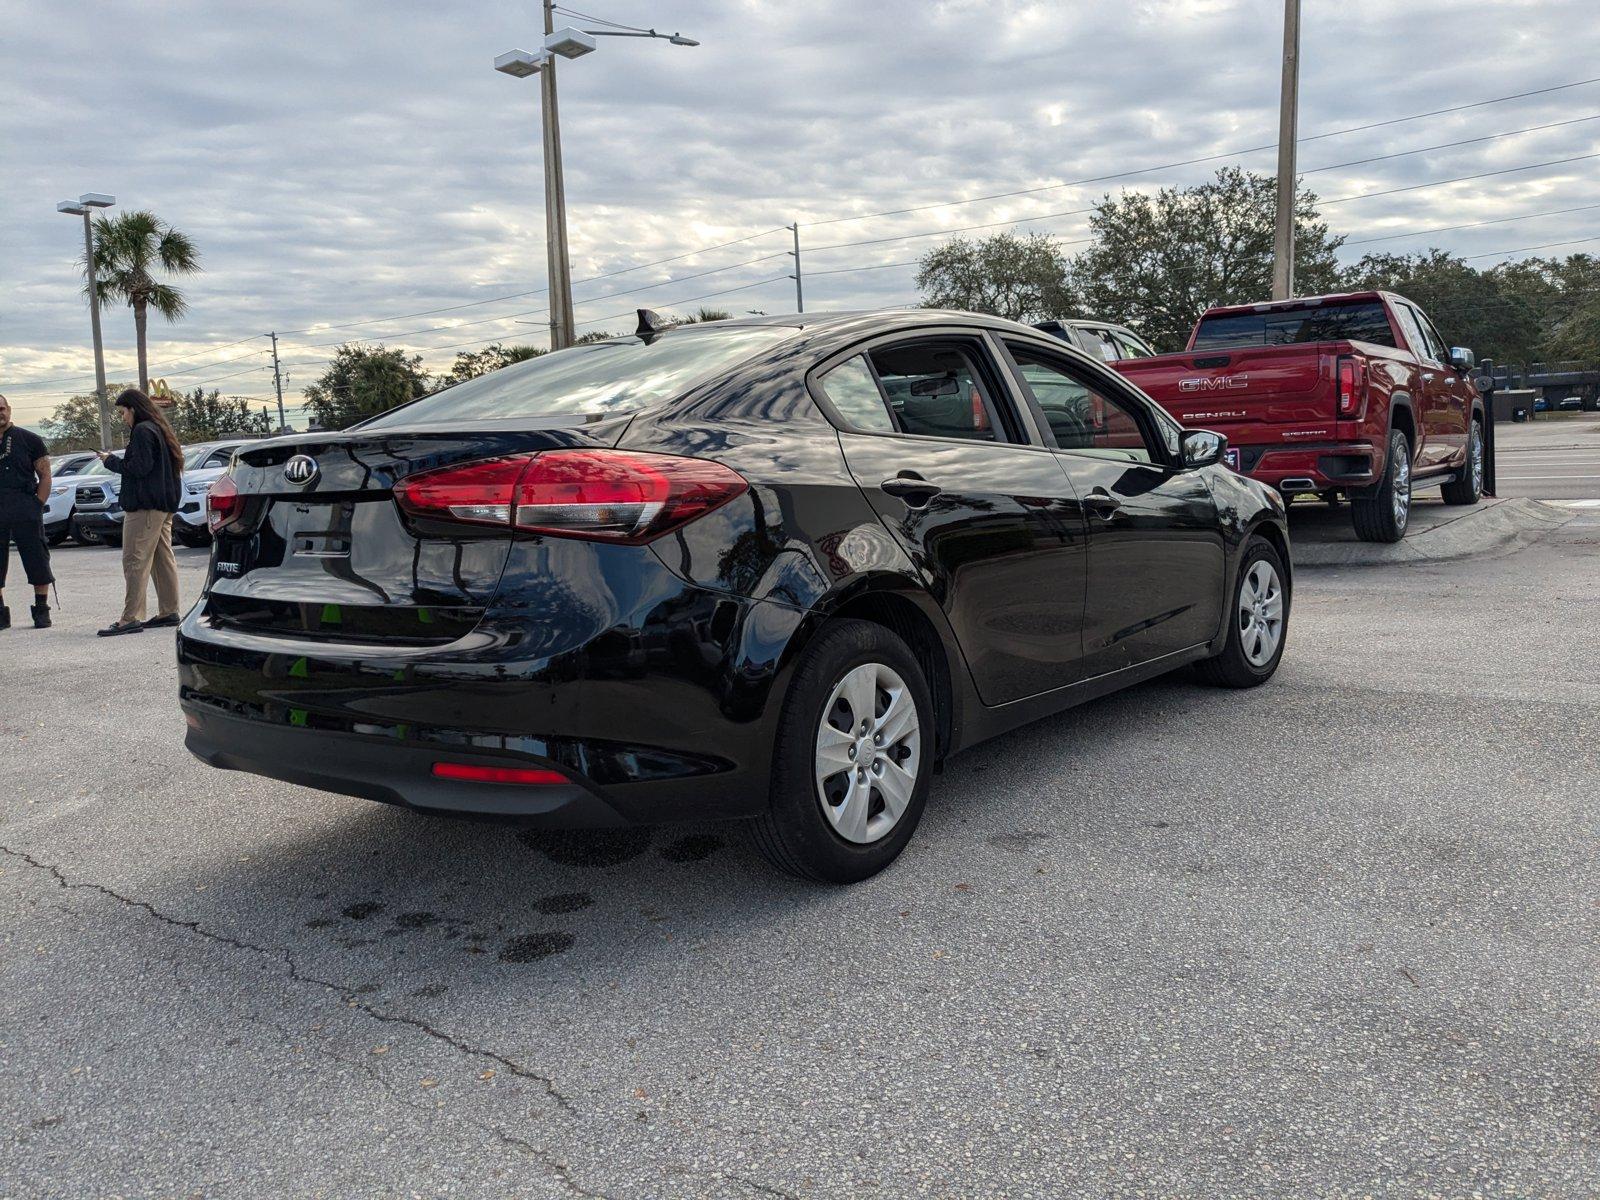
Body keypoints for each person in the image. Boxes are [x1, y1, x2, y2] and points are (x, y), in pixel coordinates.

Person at [96, 388, 183, 637]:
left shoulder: (143, 430)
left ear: (133, 409)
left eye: (123, 412)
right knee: (161, 558)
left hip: (145, 506)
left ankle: (130, 618)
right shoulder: (158, 428)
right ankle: (169, 611)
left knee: (135, 560)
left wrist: (110, 461)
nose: (123, 418)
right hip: (163, 505)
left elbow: (140, 467)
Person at [0, 393, 54, 631]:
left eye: (1, 408)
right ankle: (1, 612)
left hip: (25, 506)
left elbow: (45, 475)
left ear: (9, 410)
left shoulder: (29, 439)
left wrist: (37, 505)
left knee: (37, 559)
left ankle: (41, 610)